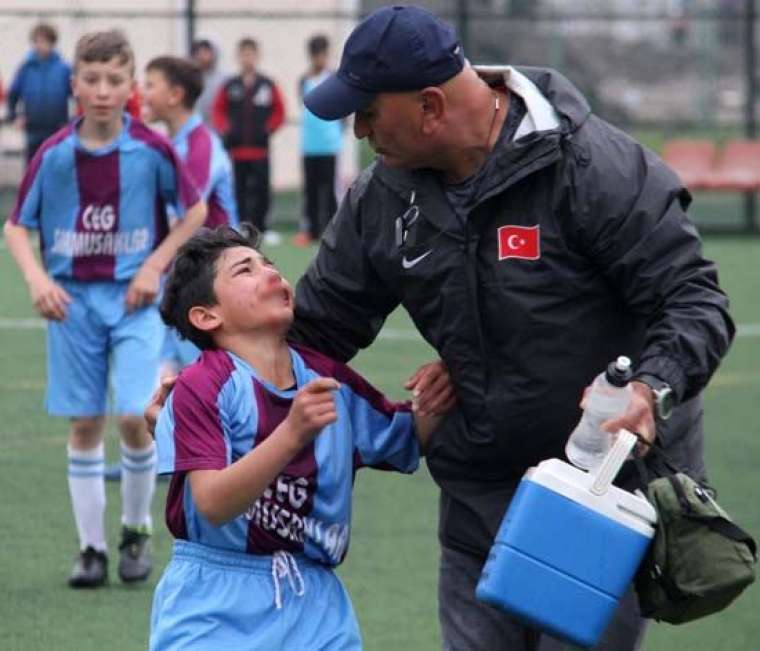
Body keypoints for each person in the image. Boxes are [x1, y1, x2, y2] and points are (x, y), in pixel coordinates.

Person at [290, 5, 734, 651]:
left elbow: (694, 298)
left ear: (432, 107)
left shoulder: (590, 165)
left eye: (368, 113)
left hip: (595, 492)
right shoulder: (382, 196)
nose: (358, 132)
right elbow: (319, 329)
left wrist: (648, 389)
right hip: (479, 483)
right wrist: (208, 379)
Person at [149, 225, 452, 650]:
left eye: (268, 264)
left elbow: (403, 438)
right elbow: (212, 503)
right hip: (217, 598)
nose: (270, 272)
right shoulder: (204, 384)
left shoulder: (326, 378)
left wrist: (438, 392)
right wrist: (291, 434)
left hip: (315, 599)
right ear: (207, 316)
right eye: (245, 270)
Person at [3, 29, 207, 589]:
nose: (101, 90)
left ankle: (136, 529)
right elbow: (17, 227)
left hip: (136, 303)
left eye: (114, 80)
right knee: (87, 423)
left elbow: (194, 212)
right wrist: (38, 279)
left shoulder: (151, 150)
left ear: (130, 86)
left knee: (134, 415)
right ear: (75, 86)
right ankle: (91, 548)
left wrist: (152, 266)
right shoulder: (55, 154)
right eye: (90, 79)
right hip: (74, 306)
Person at [143, 55, 239, 374]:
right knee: (160, 377)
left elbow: (186, 214)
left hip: (204, 278)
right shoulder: (167, 144)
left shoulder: (202, 145)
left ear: (175, 95)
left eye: (150, 85)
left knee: (202, 376)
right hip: (173, 274)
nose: (143, 93)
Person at [212, 38, 285, 246]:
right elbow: (218, 111)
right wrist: (226, 129)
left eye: (251, 54)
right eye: (244, 54)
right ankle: (241, 227)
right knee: (239, 190)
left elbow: (280, 111)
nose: (247, 58)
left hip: (260, 151)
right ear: (238, 57)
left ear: (257, 56)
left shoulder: (267, 85)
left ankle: (264, 228)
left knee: (262, 189)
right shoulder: (230, 85)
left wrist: (268, 129)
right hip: (237, 152)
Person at [293, 34, 343, 247]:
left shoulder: (333, 78)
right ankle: (312, 232)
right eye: (316, 54)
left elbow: (342, 110)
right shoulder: (304, 80)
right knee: (311, 190)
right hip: (309, 145)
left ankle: (333, 229)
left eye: (322, 54)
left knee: (329, 190)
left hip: (329, 145)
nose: (319, 59)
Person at [6, 23, 71, 163]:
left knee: (55, 165)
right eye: (36, 41)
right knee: (33, 166)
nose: (40, 45)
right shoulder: (25, 68)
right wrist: (14, 116)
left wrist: (73, 121)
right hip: (32, 131)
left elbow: (77, 95)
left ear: (52, 43)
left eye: (44, 41)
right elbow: (13, 94)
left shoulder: (63, 69)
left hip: (56, 129)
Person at [190, 38, 225, 126]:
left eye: (206, 52)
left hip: (216, 132)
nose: (201, 56)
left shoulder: (224, 80)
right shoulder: (189, 78)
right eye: (198, 52)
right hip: (194, 130)